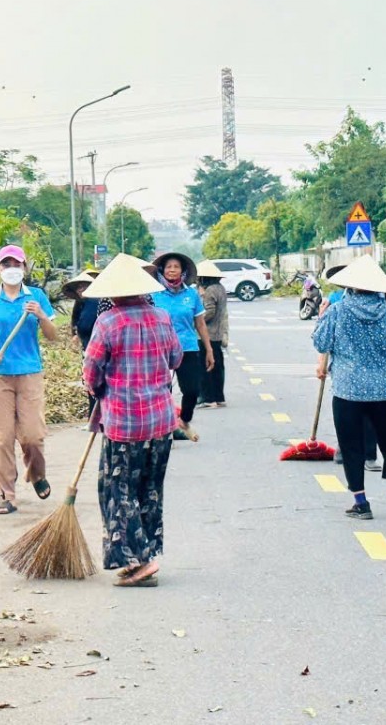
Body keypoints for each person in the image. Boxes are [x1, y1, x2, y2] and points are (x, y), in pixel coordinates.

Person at [82, 253, 182, 587]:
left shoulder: (108, 322)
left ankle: (141, 561)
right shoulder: (162, 317)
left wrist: (99, 391)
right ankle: (146, 555)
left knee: (117, 490)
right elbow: (176, 358)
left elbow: (91, 372)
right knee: (150, 490)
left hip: (124, 424)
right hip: (161, 422)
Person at [0, 244, 59, 514]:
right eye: (6, 265)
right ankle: (8, 494)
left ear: (24, 268)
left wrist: (41, 315)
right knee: (1, 438)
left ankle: (37, 474)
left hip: (29, 374)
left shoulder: (37, 296)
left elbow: (53, 336)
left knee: (33, 436)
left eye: (16, 265)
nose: (11, 270)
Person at [311, 256, 386, 519]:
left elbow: (321, 344)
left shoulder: (337, 310)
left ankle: (361, 503)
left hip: (348, 391)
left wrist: (321, 318)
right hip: (384, 391)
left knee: (351, 446)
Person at [317, 260, 382, 473]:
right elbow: (327, 340)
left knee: (369, 413)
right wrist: (321, 364)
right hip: (352, 367)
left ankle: (369, 454)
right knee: (348, 413)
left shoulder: (379, 303)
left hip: (365, 368)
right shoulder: (335, 301)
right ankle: (345, 449)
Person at [150, 251, 214, 440]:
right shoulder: (153, 295)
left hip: (187, 347)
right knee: (161, 391)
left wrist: (209, 349)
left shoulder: (191, 294)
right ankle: (164, 428)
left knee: (192, 390)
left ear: (182, 271)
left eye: (176, 267)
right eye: (169, 266)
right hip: (160, 349)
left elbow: (200, 323)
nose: (172, 270)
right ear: (162, 270)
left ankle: (184, 420)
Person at [196, 259, 229, 408]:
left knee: (205, 366)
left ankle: (208, 398)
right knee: (217, 366)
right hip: (218, 333)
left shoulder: (209, 291)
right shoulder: (220, 288)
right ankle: (218, 396)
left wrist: (196, 322)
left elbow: (209, 312)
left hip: (207, 334)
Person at [64, 268, 101, 351]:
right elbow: (75, 316)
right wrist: (75, 333)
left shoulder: (94, 300)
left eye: (83, 286)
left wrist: (79, 332)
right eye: (79, 287)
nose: (80, 290)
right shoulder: (81, 301)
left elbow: (85, 326)